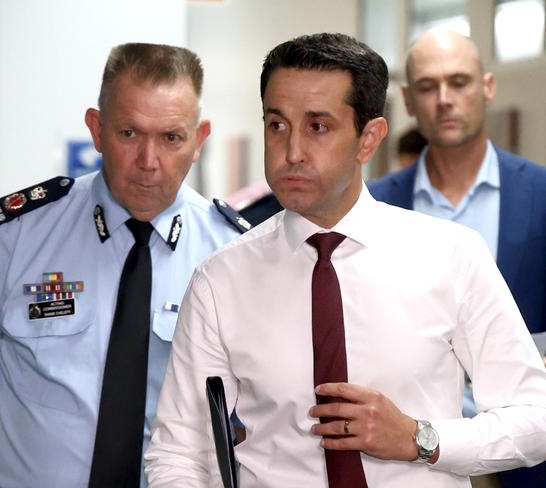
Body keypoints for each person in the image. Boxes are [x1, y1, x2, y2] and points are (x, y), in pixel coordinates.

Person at [144, 33, 546, 487]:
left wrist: (421, 439)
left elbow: (535, 418)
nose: (292, 151)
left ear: (368, 139)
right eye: (277, 125)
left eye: (318, 126)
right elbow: (177, 454)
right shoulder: (220, 281)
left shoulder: (452, 256)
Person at [0, 42, 249, 488]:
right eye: (129, 133)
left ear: (199, 139)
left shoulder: (233, 254)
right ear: (96, 129)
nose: (148, 163)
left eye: (171, 137)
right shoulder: (19, 235)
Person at [368, 28, 546, 486]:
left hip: (525, 457)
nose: (444, 99)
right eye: (427, 87)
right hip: (412, 460)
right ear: (407, 100)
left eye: (460, 82)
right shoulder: (372, 207)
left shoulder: (541, 195)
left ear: (487, 87)